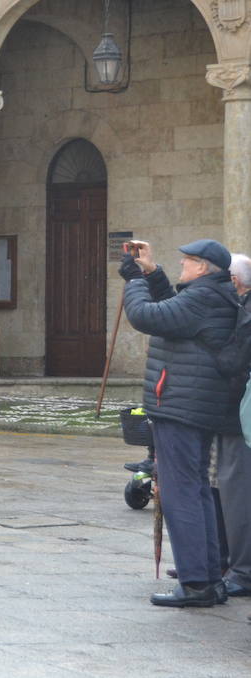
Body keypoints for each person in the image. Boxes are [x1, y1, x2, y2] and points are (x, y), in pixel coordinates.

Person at [122, 238, 240, 607]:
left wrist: (133, 281)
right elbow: (171, 306)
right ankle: (207, 578)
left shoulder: (202, 298)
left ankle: (195, 583)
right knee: (196, 490)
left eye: (187, 262)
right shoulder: (212, 295)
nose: (183, 268)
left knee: (180, 494)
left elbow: (146, 315)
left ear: (203, 267)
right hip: (195, 405)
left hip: (181, 406)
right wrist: (151, 272)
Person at [218, 253, 251, 600]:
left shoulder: (245, 313)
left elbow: (233, 362)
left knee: (237, 490)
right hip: (235, 416)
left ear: (234, 282)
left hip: (238, 418)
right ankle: (224, 562)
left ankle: (241, 571)